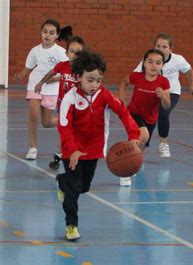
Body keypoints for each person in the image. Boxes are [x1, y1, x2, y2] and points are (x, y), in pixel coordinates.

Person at [56, 50, 140, 241]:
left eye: (99, 80)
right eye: (90, 80)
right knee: (74, 189)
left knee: (84, 187)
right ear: (79, 77)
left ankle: (62, 181)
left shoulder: (105, 96)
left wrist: (133, 134)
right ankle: (71, 225)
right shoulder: (69, 99)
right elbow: (64, 128)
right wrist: (72, 149)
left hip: (93, 151)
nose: (95, 85)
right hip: (73, 152)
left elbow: (123, 112)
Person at [134, 33, 193, 158]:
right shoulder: (148, 60)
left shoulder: (178, 60)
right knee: (148, 118)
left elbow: (188, 70)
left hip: (172, 91)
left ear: (170, 49)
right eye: (158, 46)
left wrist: (192, 85)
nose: (161, 49)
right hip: (153, 93)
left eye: (164, 46)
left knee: (163, 112)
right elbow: (135, 75)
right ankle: (143, 146)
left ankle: (164, 143)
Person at [14, 19, 69, 160]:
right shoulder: (35, 50)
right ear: (41, 32)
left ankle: (69, 121)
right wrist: (20, 76)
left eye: (51, 33)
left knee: (46, 122)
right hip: (35, 85)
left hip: (52, 89)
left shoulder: (61, 52)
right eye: (45, 31)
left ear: (57, 35)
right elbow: (28, 66)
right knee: (33, 114)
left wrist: (54, 79)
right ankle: (33, 148)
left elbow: (66, 73)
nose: (47, 35)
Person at [118, 49, 171, 187]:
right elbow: (124, 81)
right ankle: (125, 171)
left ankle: (133, 161)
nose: (154, 65)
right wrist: (122, 99)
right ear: (144, 63)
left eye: (158, 63)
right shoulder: (137, 77)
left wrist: (163, 96)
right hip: (134, 113)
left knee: (141, 146)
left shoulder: (164, 82)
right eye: (150, 62)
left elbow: (166, 106)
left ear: (162, 65)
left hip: (151, 119)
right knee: (142, 135)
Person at [35, 35, 85, 169]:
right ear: (67, 53)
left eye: (78, 52)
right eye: (72, 51)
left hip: (78, 107)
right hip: (63, 106)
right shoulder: (62, 66)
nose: (75, 55)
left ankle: (71, 156)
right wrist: (41, 82)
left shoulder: (83, 70)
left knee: (72, 133)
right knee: (64, 133)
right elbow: (51, 73)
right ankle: (59, 155)